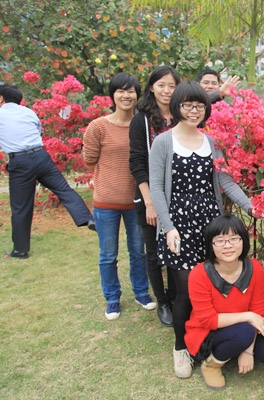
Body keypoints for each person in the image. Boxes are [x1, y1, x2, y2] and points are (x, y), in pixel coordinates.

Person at [149, 81, 264, 379]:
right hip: (178, 226)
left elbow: (225, 181)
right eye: (187, 105)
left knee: (209, 287)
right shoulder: (163, 142)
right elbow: (157, 189)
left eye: (199, 105)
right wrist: (168, 227)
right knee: (184, 292)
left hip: (210, 226)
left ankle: (209, 342)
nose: (194, 111)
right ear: (177, 107)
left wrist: (250, 206)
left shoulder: (211, 142)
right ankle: (181, 348)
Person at [83, 72, 156, 320]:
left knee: (138, 251)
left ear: (137, 94)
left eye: (131, 91)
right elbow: (89, 159)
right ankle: (112, 297)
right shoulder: (98, 126)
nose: (126, 95)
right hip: (106, 201)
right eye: (121, 91)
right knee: (108, 254)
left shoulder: (142, 124)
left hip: (136, 199)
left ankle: (141, 292)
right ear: (112, 95)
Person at [185, 215, 264, 390]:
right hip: (207, 333)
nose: (228, 245)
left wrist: (248, 351)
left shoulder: (254, 267)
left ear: (243, 241)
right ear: (211, 245)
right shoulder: (199, 274)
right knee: (244, 331)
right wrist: (248, 316)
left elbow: (257, 311)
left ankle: (236, 348)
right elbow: (208, 320)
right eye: (220, 240)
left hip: (243, 328)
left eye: (234, 239)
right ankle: (211, 365)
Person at [0, 84, 95, 259]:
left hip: (20, 162)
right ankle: (88, 218)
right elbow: (37, 131)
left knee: (21, 207)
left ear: (1, 98)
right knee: (64, 190)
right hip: (41, 156)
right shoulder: (29, 113)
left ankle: (20, 250)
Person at [129, 66, 180, 327]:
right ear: (151, 87)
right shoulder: (142, 121)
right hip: (149, 196)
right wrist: (149, 202)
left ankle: (175, 297)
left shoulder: (181, 116)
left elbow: (202, 104)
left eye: (172, 86)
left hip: (177, 196)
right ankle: (162, 302)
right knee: (154, 253)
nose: (166, 91)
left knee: (176, 248)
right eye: (161, 85)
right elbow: (137, 163)